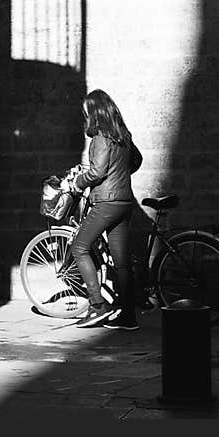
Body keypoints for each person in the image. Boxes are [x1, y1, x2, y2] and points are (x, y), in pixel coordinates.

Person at [66, 89, 143, 330]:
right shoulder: (123, 135)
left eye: (87, 113)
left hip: (107, 202)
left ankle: (98, 306)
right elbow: (137, 161)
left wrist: (78, 182)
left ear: (95, 113)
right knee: (121, 262)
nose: (85, 117)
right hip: (124, 202)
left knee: (79, 246)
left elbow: (97, 172)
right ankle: (128, 316)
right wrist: (121, 176)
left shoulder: (100, 137)